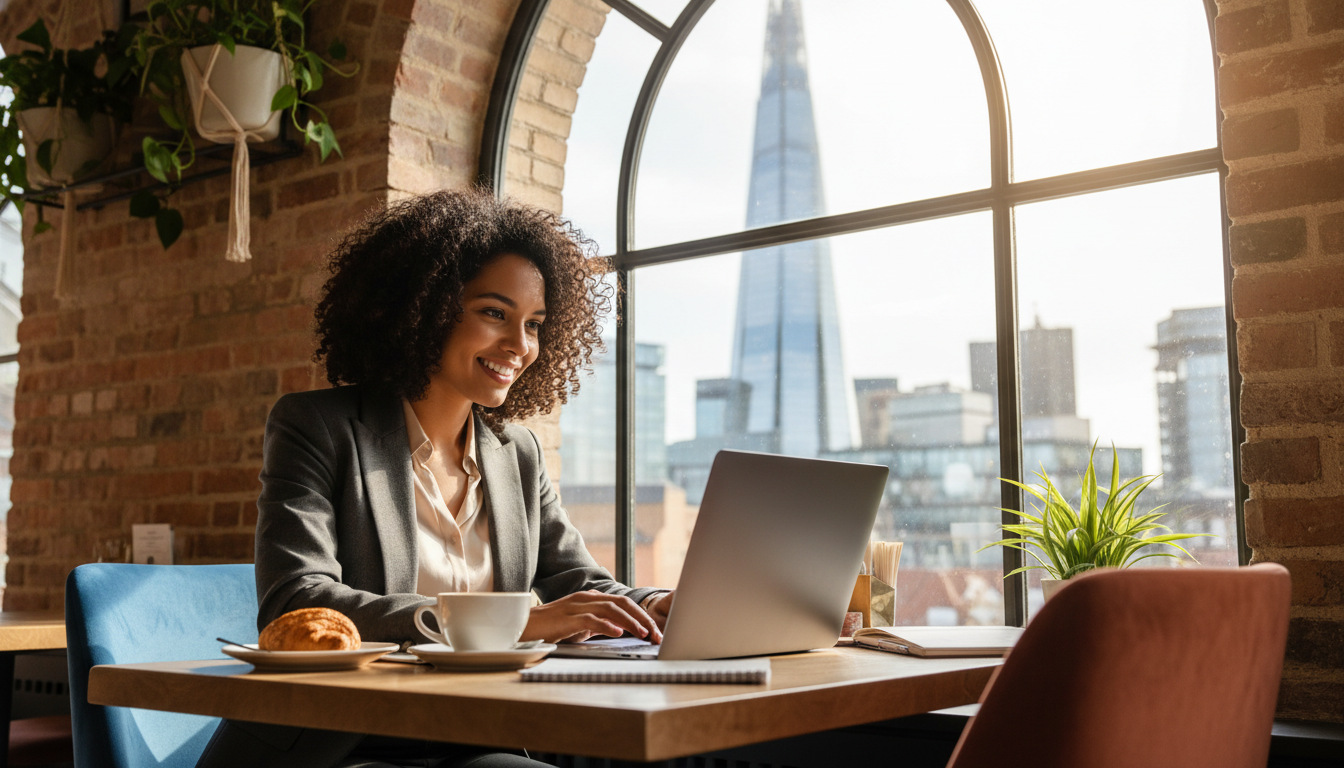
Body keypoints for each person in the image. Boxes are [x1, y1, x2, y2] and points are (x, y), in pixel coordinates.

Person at [196, 189, 673, 768]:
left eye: (535, 324)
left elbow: (575, 578)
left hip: (471, 734)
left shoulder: (516, 453)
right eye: (494, 313)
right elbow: (297, 600)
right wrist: (516, 620)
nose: (520, 346)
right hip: (336, 744)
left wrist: (656, 605)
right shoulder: (317, 427)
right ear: (421, 308)